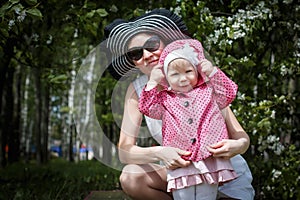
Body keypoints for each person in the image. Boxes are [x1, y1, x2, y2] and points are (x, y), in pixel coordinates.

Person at [104, 8, 254, 200]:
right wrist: (161, 153)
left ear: (166, 44)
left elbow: (242, 138)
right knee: (130, 177)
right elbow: (125, 151)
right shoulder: (137, 90)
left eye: (151, 45)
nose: (147, 55)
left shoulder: (198, 76)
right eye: (135, 53)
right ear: (133, 62)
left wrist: (237, 146)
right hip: (183, 172)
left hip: (223, 170)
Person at [138, 39, 238, 199]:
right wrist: (152, 82)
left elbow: (228, 94)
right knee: (183, 196)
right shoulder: (165, 98)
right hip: (181, 158)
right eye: (175, 74)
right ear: (166, 77)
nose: (183, 78)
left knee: (206, 196)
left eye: (188, 72)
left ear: (197, 71)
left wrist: (213, 73)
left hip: (208, 157)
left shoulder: (208, 91)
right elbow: (148, 109)